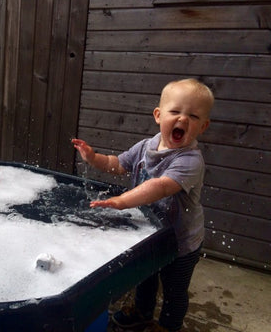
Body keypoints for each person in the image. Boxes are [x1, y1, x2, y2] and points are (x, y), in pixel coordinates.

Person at [72, 78, 214, 332]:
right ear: (158, 116)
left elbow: (158, 187)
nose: (182, 119)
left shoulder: (191, 161)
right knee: (146, 277)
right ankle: (141, 312)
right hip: (152, 233)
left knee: (175, 289)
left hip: (181, 241)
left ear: (203, 126)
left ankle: (169, 325)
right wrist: (93, 158)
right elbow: (117, 164)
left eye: (193, 116)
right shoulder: (146, 147)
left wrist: (121, 201)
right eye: (175, 112)